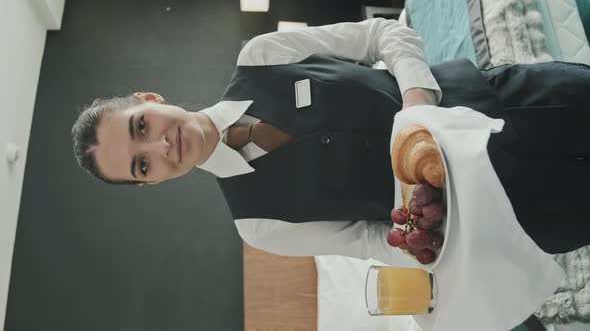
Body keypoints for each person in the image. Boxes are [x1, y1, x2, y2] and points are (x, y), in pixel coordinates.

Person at [71, 18, 590, 266]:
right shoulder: (260, 227)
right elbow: (372, 243)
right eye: (142, 166)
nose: (160, 148)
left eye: (141, 126)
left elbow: (382, 35)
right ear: (150, 184)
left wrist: (414, 100)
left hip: (510, 100)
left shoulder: (262, 54)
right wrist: (427, 246)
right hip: (507, 210)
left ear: (149, 98)